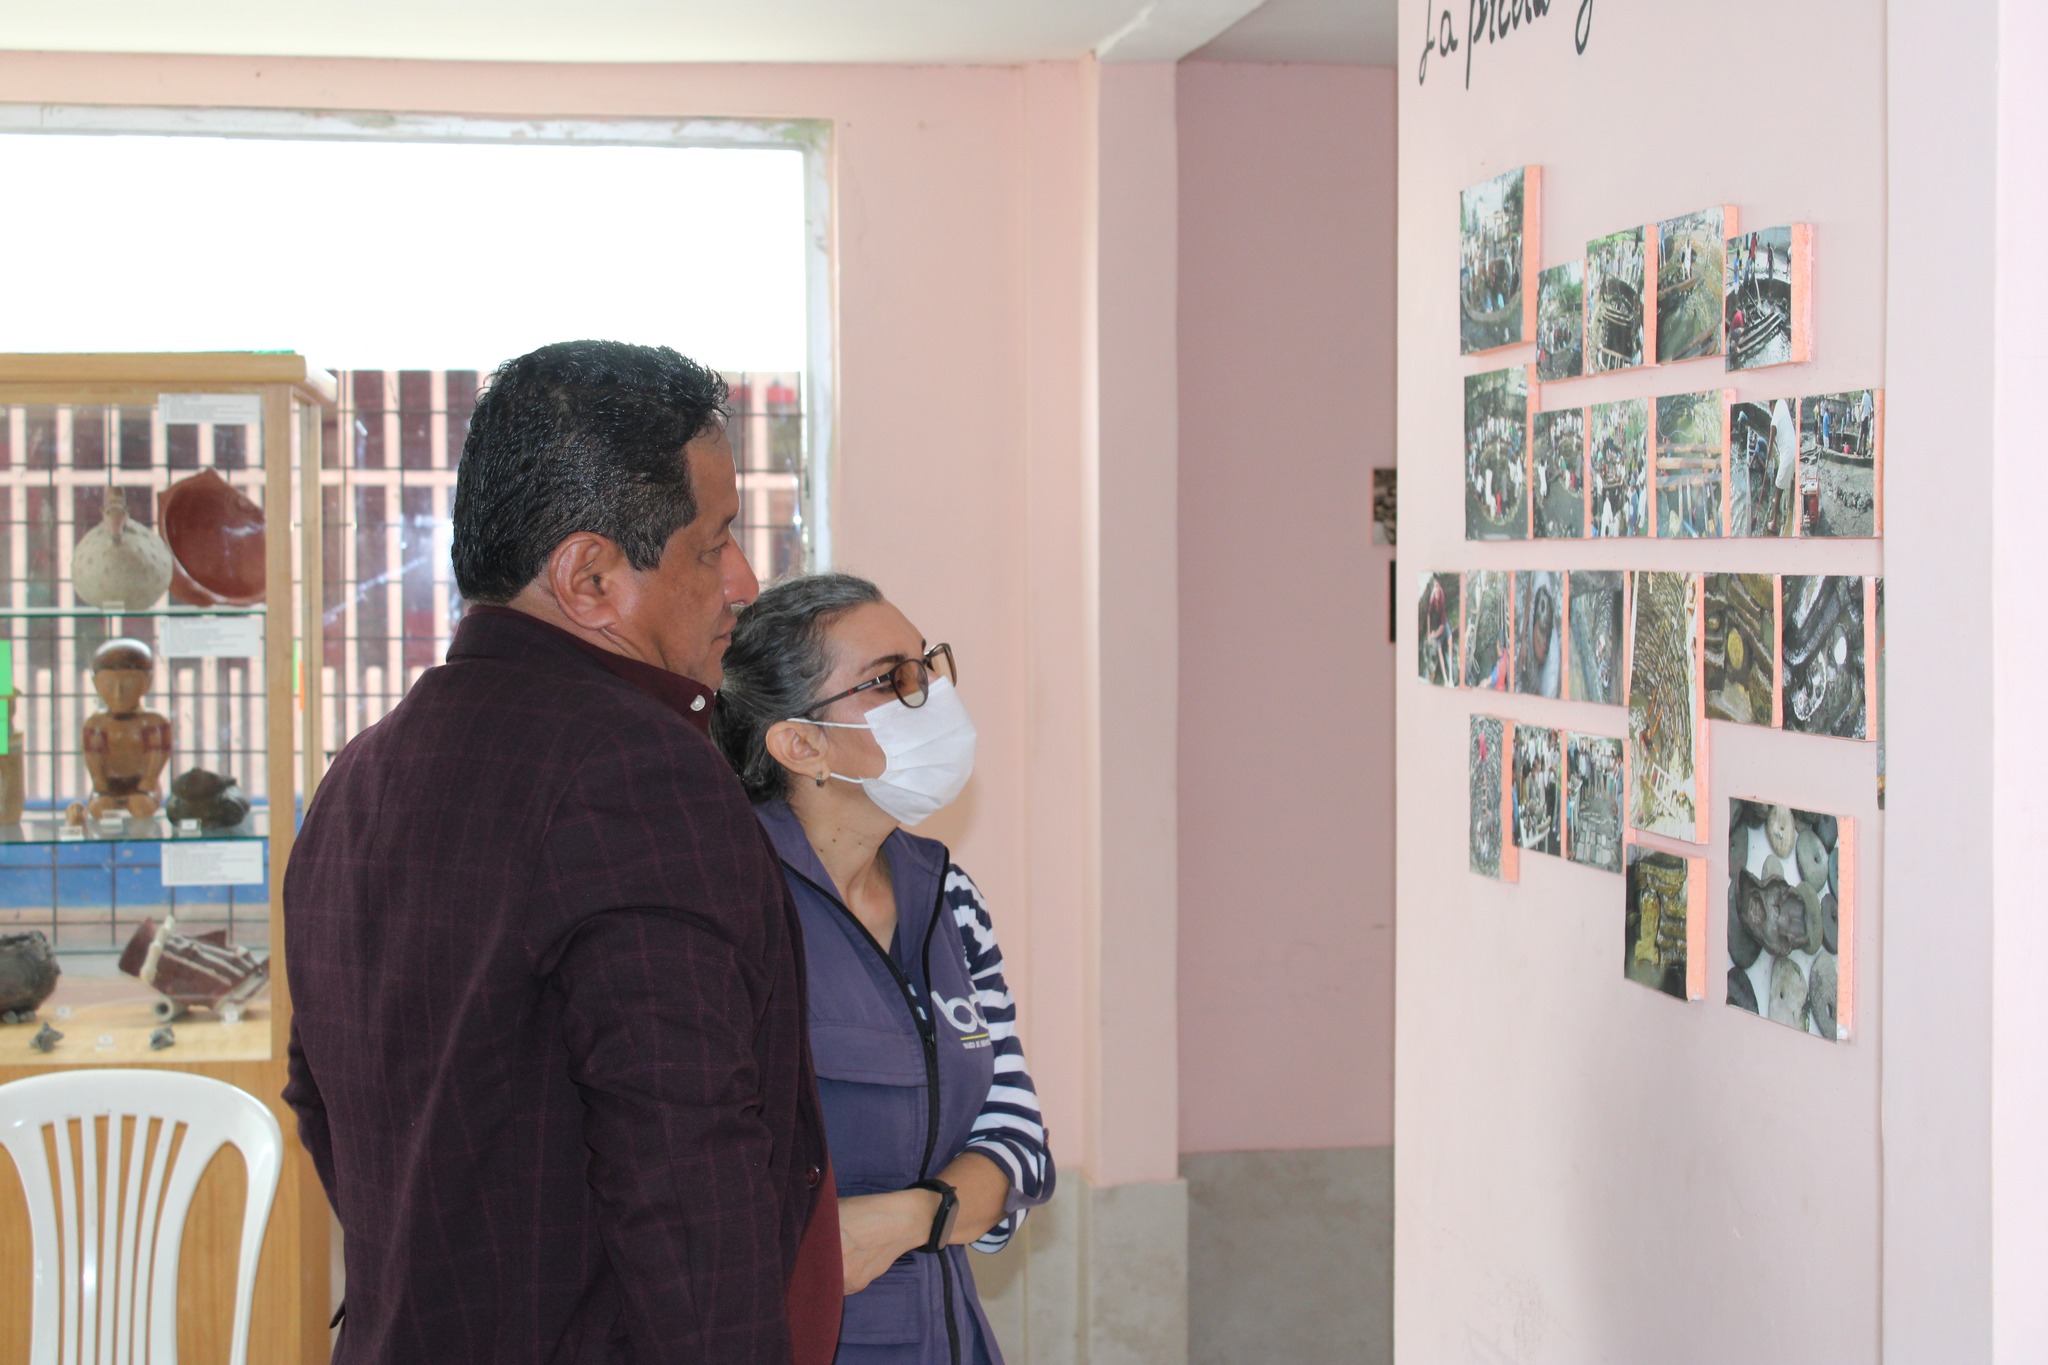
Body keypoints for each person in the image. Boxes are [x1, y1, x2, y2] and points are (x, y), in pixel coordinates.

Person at [283, 341, 840, 1364]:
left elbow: (323, 1100)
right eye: (713, 543)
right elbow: (686, 1185)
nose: (744, 581)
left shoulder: (357, 775)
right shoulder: (640, 773)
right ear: (589, 578)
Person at [712, 574, 1054, 1365]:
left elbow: (1020, 1139)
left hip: (950, 1334)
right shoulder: (731, 905)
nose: (928, 693)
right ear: (801, 745)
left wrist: (907, 1218)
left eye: (926, 665)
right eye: (890, 679)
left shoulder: (949, 897)